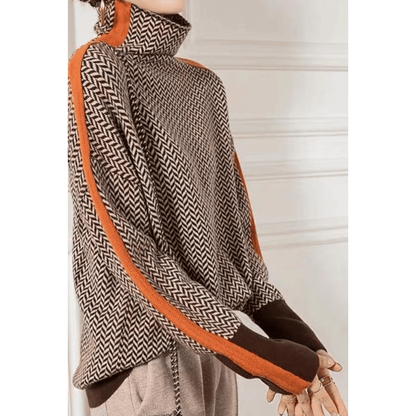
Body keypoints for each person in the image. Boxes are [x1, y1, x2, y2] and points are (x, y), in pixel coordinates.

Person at [68, 0, 348, 415]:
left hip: (215, 349)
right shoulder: (99, 67)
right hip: (149, 353)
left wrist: (298, 341)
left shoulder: (203, 84)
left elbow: (234, 237)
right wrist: (256, 355)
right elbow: (121, 246)